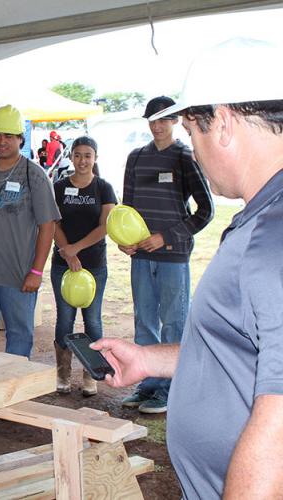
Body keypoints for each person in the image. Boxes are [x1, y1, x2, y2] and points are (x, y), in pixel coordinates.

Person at [94, 37, 283, 498]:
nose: (194, 148)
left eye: (192, 131)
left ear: (221, 122)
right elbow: (245, 352)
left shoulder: (272, 237)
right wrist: (147, 359)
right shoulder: (263, 218)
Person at [118, 95, 214, 414]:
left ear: (174, 121)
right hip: (141, 257)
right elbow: (125, 210)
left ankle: (173, 390)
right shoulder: (136, 158)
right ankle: (148, 385)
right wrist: (124, 240)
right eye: (152, 120)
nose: (157, 126)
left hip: (173, 256)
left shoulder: (184, 157)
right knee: (145, 321)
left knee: (173, 323)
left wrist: (166, 237)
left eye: (163, 119)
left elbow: (206, 211)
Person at [0, 105, 59, 360]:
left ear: (20, 139)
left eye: (8, 136)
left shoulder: (34, 175)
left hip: (18, 275)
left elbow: (47, 225)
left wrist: (36, 271)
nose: (1, 141)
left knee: (18, 335)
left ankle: (12, 394)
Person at [50, 136, 116, 396]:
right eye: (77, 155)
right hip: (62, 265)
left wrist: (76, 249)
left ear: (95, 158)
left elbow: (106, 225)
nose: (82, 160)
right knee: (65, 319)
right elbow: (52, 223)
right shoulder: (59, 187)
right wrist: (67, 254)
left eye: (88, 155)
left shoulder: (104, 188)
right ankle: (62, 374)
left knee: (93, 320)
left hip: (94, 265)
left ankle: (91, 374)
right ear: (71, 157)